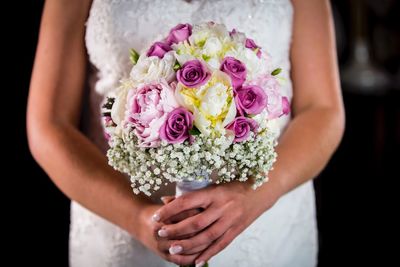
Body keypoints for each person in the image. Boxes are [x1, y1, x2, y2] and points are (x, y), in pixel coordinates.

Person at [27, 0, 344, 266]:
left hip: (267, 228)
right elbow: (49, 124)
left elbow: (323, 109)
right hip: (120, 226)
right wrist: (139, 219)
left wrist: (257, 195)